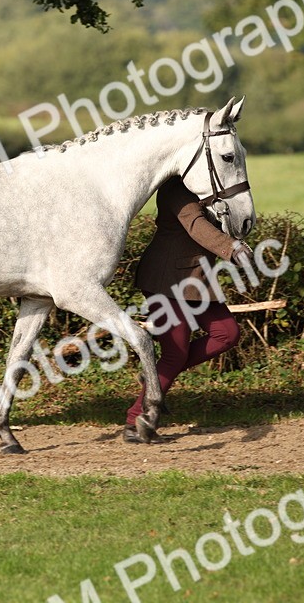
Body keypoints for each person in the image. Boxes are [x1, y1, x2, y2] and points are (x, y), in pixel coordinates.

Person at [124, 176, 250, 443]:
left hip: (196, 278)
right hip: (165, 278)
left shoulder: (205, 186)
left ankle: (154, 378)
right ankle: (135, 422)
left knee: (227, 333)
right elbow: (196, 226)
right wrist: (232, 248)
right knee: (175, 353)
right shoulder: (175, 188)